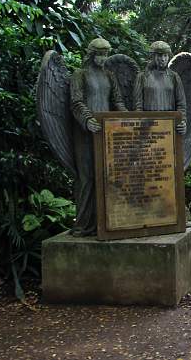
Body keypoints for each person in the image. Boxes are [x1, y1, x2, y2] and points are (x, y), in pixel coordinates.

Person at [70, 38, 128, 236]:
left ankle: (105, 223)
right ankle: (83, 224)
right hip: (85, 133)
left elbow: (117, 101)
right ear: (91, 54)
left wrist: (129, 119)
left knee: (106, 176)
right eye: (99, 54)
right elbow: (76, 102)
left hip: (106, 132)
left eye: (105, 54)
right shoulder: (80, 74)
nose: (103, 58)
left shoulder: (109, 76)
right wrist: (87, 120)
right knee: (86, 178)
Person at [132, 41, 187, 135]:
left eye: (165, 56)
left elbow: (181, 104)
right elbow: (137, 105)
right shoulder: (142, 77)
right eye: (160, 55)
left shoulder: (174, 77)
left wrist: (182, 121)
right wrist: (139, 122)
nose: (163, 59)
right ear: (153, 56)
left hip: (169, 124)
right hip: (148, 124)